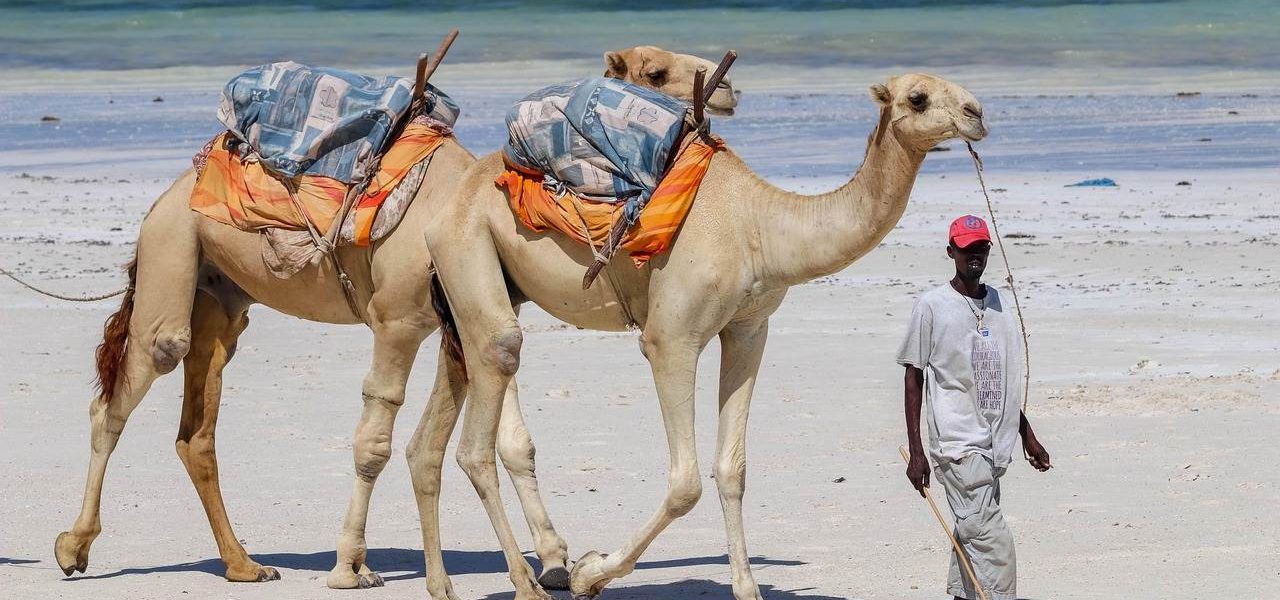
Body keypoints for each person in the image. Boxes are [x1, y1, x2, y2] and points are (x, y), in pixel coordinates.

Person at [896, 215, 1052, 600]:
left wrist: (1027, 436)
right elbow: (913, 378)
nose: (974, 255)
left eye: (981, 247)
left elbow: (997, 381)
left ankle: (962, 595)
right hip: (957, 444)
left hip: (994, 443)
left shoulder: (997, 301)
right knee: (994, 543)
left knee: (973, 532)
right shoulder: (931, 306)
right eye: (966, 248)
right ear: (952, 252)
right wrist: (917, 452)